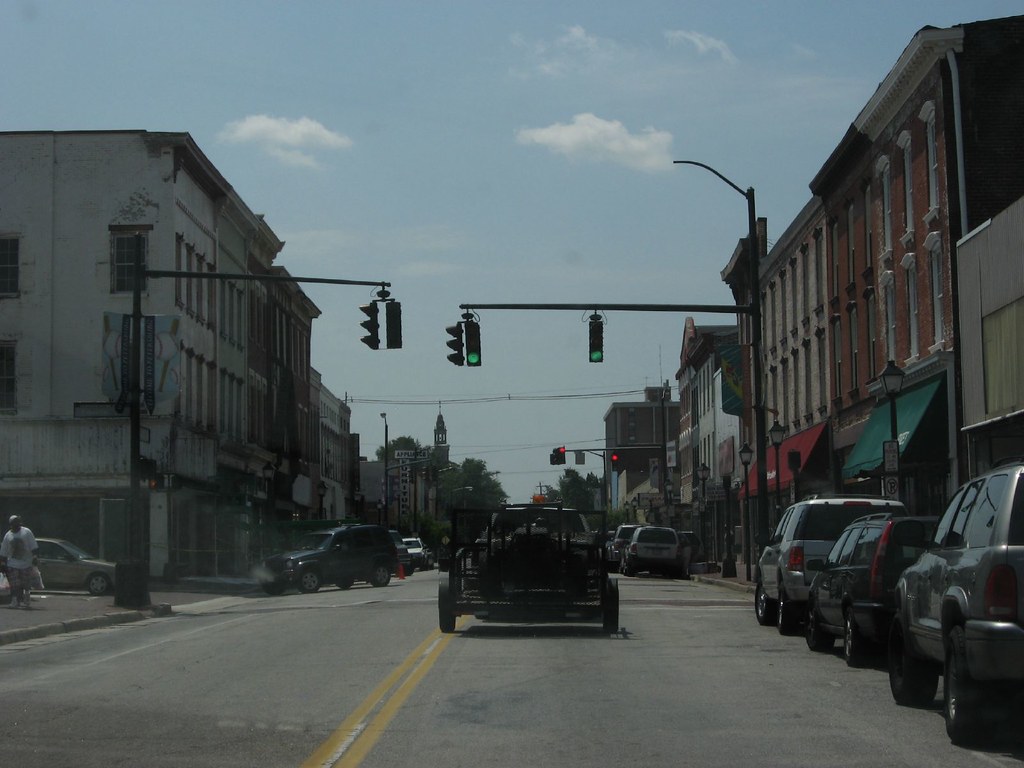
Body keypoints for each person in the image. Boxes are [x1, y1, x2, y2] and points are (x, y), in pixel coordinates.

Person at [0, 515, 39, 608]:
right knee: (14, 584)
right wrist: (2, 563)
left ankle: (26, 598)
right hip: (12, 564)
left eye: (18, 521)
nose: (17, 524)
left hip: (26, 563)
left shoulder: (26, 532)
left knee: (26, 584)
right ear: (11, 524)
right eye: (15, 522)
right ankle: (14, 601)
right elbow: (3, 551)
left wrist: (35, 556)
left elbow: (34, 546)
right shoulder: (8, 535)